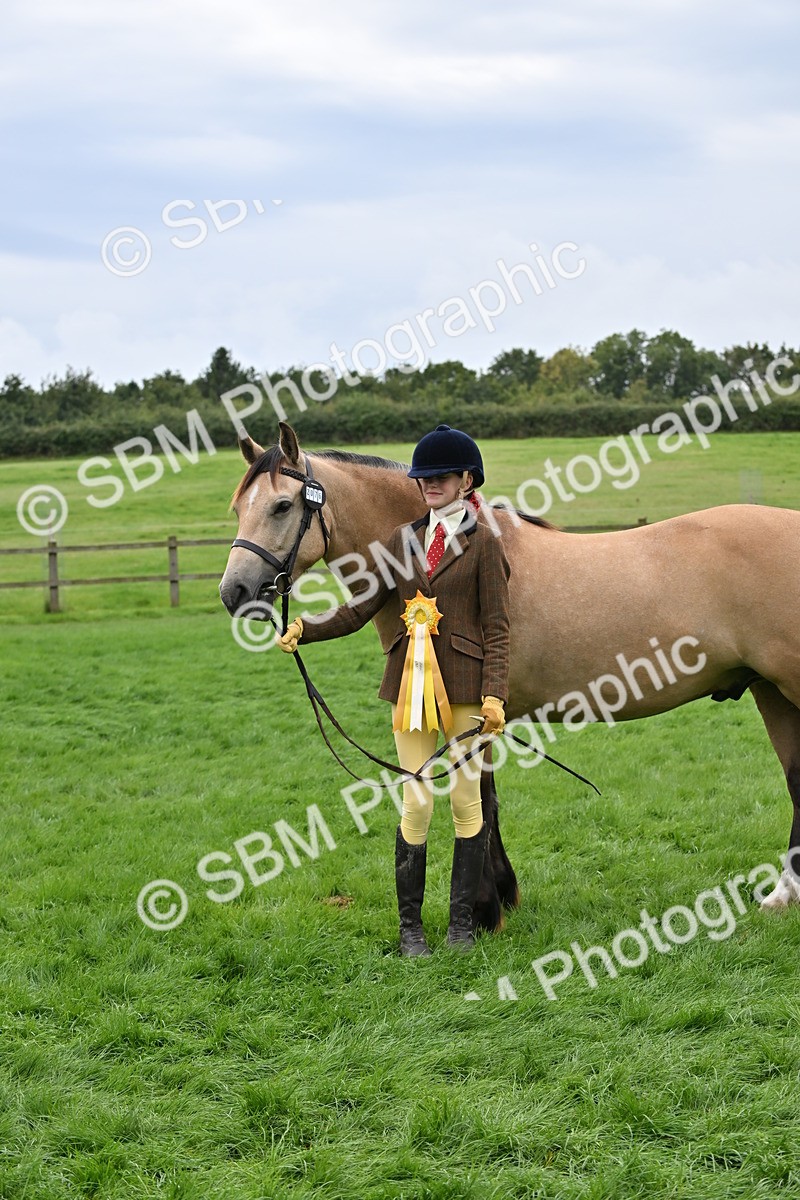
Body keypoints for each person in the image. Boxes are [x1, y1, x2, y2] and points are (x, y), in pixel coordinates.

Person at [278, 425, 511, 956]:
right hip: (411, 688)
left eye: (442, 477)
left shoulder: (486, 543)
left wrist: (495, 694)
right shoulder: (401, 541)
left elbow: (498, 625)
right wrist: (307, 629)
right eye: (424, 477)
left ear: (466, 481)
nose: (430, 485)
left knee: (466, 804)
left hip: (469, 690)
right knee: (416, 803)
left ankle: (459, 928)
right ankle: (411, 931)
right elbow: (361, 608)